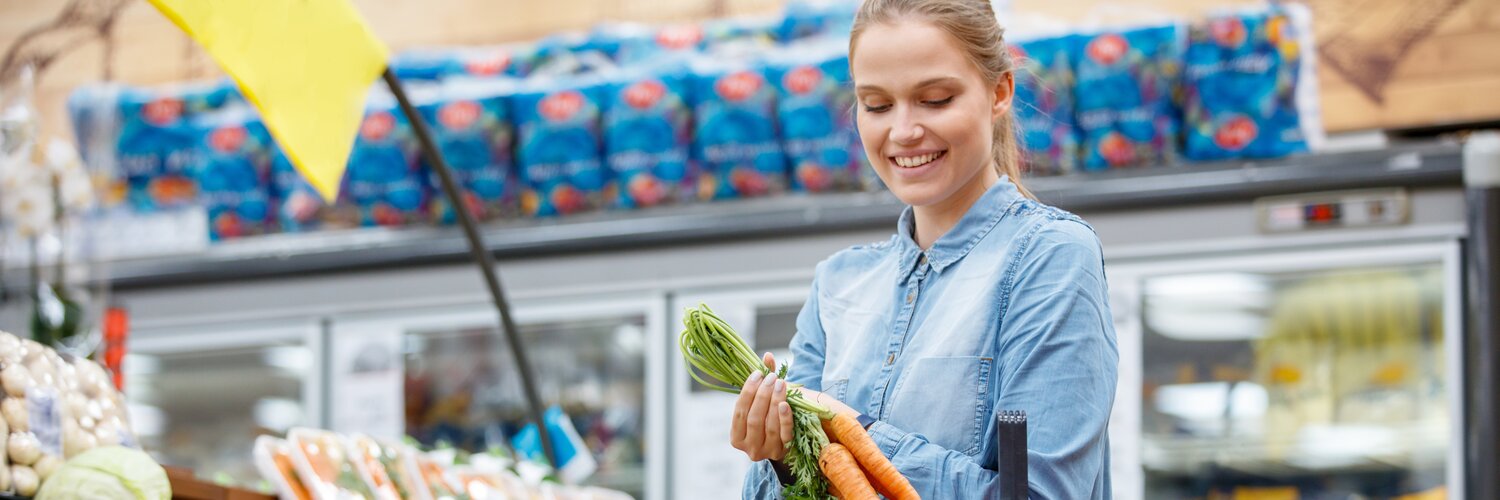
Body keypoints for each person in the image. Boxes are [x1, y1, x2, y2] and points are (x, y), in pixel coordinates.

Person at [735, 0, 1118, 498]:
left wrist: (854, 434)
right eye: (877, 105)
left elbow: (1040, 493)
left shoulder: (1049, 256)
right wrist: (780, 464)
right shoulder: (838, 284)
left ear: (999, 92)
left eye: (935, 99)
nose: (903, 131)